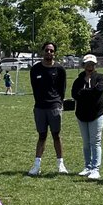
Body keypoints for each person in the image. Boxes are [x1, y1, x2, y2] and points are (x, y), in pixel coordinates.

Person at [27, 43, 67, 176]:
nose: (49, 52)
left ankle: (60, 164)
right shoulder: (35, 69)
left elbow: (62, 89)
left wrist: (58, 103)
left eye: (51, 50)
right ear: (42, 51)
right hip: (39, 107)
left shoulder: (60, 69)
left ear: (54, 53)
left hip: (54, 106)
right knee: (42, 136)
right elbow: (34, 88)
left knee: (56, 135)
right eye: (47, 50)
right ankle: (36, 165)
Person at [72, 54, 103, 180]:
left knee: (95, 142)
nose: (89, 67)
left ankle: (95, 169)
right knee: (86, 143)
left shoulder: (101, 78)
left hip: (96, 114)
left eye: (92, 64)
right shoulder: (78, 80)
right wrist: (88, 93)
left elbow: (98, 92)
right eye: (87, 64)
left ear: (95, 65)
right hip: (81, 115)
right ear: (83, 66)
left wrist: (84, 93)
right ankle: (87, 166)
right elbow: (75, 94)